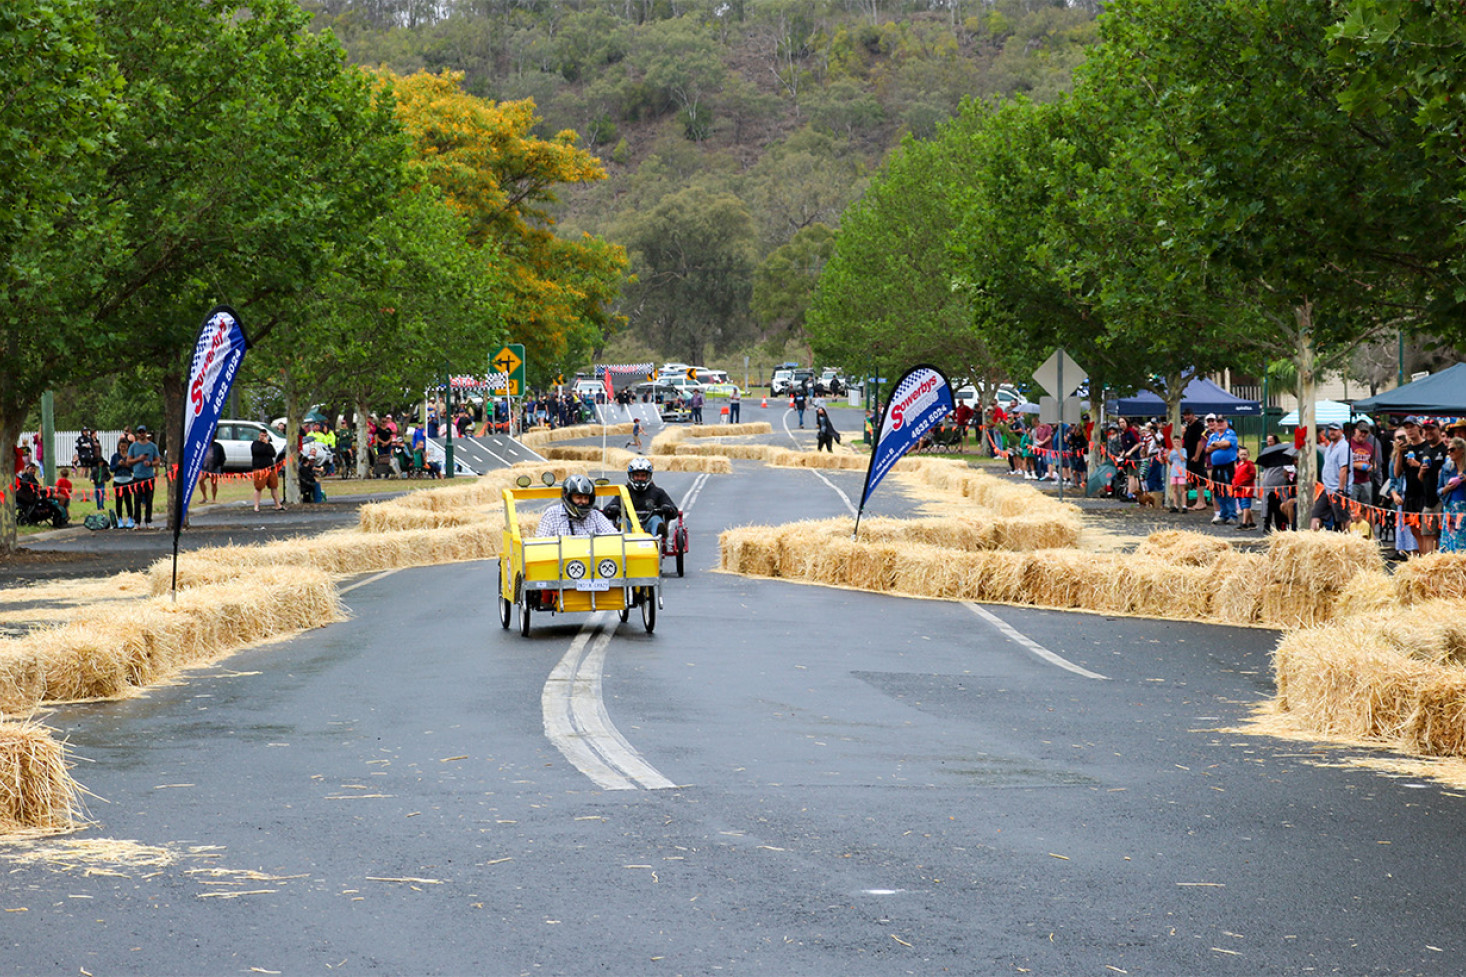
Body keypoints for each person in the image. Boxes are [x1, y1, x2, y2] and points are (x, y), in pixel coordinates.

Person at [603, 457, 678, 539]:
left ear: (648, 476)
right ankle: (622, 536)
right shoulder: (624, 491)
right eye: (637, 475)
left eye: (643, 476)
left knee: (656, 519)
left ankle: (658, 536)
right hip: (630, 526)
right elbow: (606, 511)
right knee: (624, 522)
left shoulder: (657, 492)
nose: (639, 478)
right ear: (631, 476)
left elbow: (674, 512)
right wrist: (612, 509)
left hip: (649, 526)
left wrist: (667, 508)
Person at [536, 474, 619, 537]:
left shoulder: (595, 515)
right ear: (568, 497)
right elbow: (540, 544)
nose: (583, 501)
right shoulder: (552, 514)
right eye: (578, 497)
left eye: (586, 498)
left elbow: (614, 537)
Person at [1310, 422, 1350, 531]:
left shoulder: (1344, 447)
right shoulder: (1330, 446)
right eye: (1330, 430)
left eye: (1335, 430)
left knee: (1343, 519)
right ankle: (1313, 541)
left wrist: (1341, 490)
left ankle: (1350, 541)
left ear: (1341, 431)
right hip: (1327, 488)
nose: (1332, 432)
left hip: (1338, 489)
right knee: (1316, 514)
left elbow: (1344, 469)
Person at [1417, 419, 1449, 554]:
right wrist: (1421, 472)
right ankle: (1428, 564)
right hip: (1427, 499)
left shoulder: (1446, 449)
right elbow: (1420, 478)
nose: (1429, 432)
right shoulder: (1425, 450)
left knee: (1442, 535)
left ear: (1438, 430)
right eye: (1426, 429)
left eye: (1432, 429)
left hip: (1442, 499)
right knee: (1426, 533)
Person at [1204, 414, 1240, 525]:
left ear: (1226, 423)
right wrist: (1219, 445)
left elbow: (1227, 444)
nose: (1219, 424)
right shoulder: (1213, 436)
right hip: (1216, 467)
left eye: (1221, 422)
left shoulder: (1230, 433)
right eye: (1217, 422)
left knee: (1229, 490)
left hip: (1227, 466)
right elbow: (1208, 449)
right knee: (1218, 491)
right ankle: (1223, 514)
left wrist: (1216, 445)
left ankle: (1232, 515)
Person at [125, 425, 162, 530]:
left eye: (143, 432)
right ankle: (137, 521)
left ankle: (148, 520)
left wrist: (150, 464)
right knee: (137, 500)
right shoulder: (133, 446)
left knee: (149, 500)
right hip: (137, 476)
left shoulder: (152, 446)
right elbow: (129, 461)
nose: (142, 434)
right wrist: (139, 459)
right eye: (140, 432)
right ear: (137, 434)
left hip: (149, 477)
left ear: (146, 433)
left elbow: (158, 460)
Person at [1437, 437, 1466, 552]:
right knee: (1449, 541)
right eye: (1448, 450)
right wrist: (1447, 488)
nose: (1449, 453)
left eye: (1452, 449)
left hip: (1464, 509)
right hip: (1450, 509)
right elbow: (1439, 490)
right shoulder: (1447, 468)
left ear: (1462, 450)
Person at [1181, 408, 1208, 510]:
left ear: (1193, 415)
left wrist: (1197, 455)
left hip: (1196, 457)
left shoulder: (1198, 426)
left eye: (1188, 415)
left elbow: (1200, 441)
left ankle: (1201, 502)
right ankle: (1198, 501)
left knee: (1198, 478)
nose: (1187, 417)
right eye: (1185, 415)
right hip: (1189, 456)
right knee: (1193, 479)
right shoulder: (1188, 426)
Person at [1347, 419, 1378, 508]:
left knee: (1366, 508)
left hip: (1365, 481)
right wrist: (1357, 465)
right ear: (1355, 431)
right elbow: (1343, 463)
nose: (1363, 434)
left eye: (1365, 432)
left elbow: (1374, 463)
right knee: (1352, 508)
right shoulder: (1348, 444)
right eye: (1361, 432)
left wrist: (1372, 467)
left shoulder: (1370, 446)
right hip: (1352, 482)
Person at [251, 428, 283, 512]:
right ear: (259, 435)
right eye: (262, 435)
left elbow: (273, 453)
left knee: (274, 486)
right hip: (260, 469)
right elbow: (258, 451)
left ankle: (278, 504)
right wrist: (265, 445)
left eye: (265, 436)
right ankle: (256, 506)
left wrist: (267, 444)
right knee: (258, 487)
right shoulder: (255, 444)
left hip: (270, 468)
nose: (264, 437)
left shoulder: (269, 444)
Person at [109, 440, 136, 528]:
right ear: (119, 447)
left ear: (127, 447)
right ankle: (119, 519)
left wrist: (127, 465)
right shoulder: (115, 456)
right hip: (118, 480)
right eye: (121, 446)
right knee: (118, 501)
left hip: (128, 480)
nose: (123, 448)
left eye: (124, 446)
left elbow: (133, 469)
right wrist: (118, 464)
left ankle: (130, 518)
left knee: (128, 501)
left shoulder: (130, 456)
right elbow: (111, 468)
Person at [1232, 446, 1257, 529]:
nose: (1243, 456)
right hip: (1239, 489)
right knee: (1243, 506)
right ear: (1238, 455)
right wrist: (1234, 483)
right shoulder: (1239, 464)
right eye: (1241, 454)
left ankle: (1244, 523)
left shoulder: (1249, 464)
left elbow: (1252, 475)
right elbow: (1236, 475)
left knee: (1246, 505)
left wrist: (1242, 484)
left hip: (1246, 489)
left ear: (1248, 455)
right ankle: (1252, 523)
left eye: (1245, 454)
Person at [197, 436, 225, 503]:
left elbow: (223, 457)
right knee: (200, 481)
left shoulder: (218, 446)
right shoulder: (203, 445)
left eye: (212, 437)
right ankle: (204, 497)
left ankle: (213, 499)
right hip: (204, 467)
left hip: (214, 467)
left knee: (214, 483)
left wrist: (220, 465)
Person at [1167, 438, 1188, 512]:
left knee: (1182, 490)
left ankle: (1184, 505)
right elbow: (1170, 462)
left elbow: (1183, 459)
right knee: (1175, 489)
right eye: (1175, 442)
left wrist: (1178, 450)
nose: (1176, 443)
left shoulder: (1183, 450)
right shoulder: (1172, 452)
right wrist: (1168, 456)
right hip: (1174, 472)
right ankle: (1175, 505)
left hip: (1181, 472)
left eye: (1178, 441)